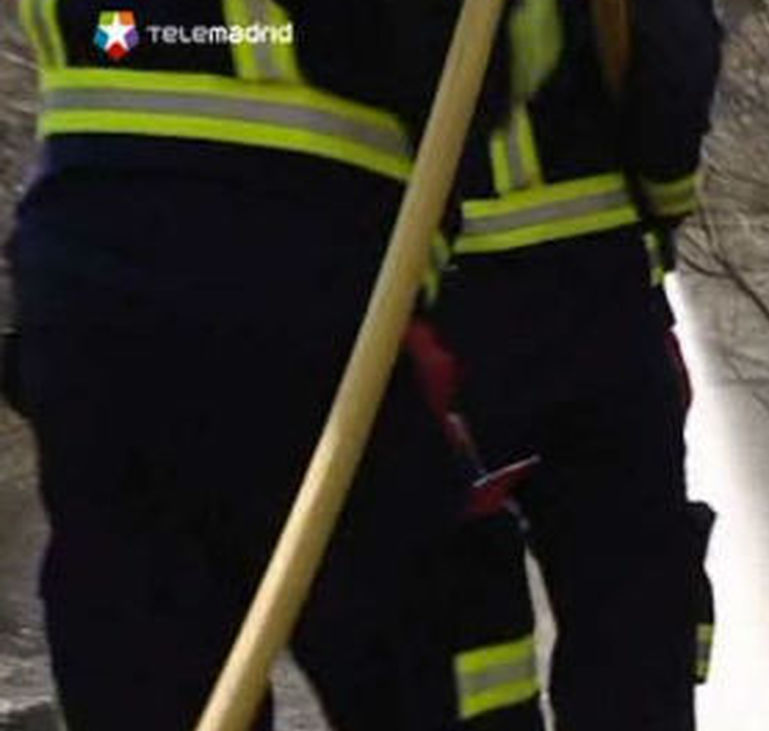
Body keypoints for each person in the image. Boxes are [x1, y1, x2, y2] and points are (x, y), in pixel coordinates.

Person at [5, 1, 537, 727]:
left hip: (87, 275)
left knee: (140, 648)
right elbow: (476, 69)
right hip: (314, 273)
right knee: (397, 639)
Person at [408, 0, 724, 727]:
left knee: (458, 617)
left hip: (435, 308)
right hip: (602, 298)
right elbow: (675, 41)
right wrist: (662, 201)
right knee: (635, 610)